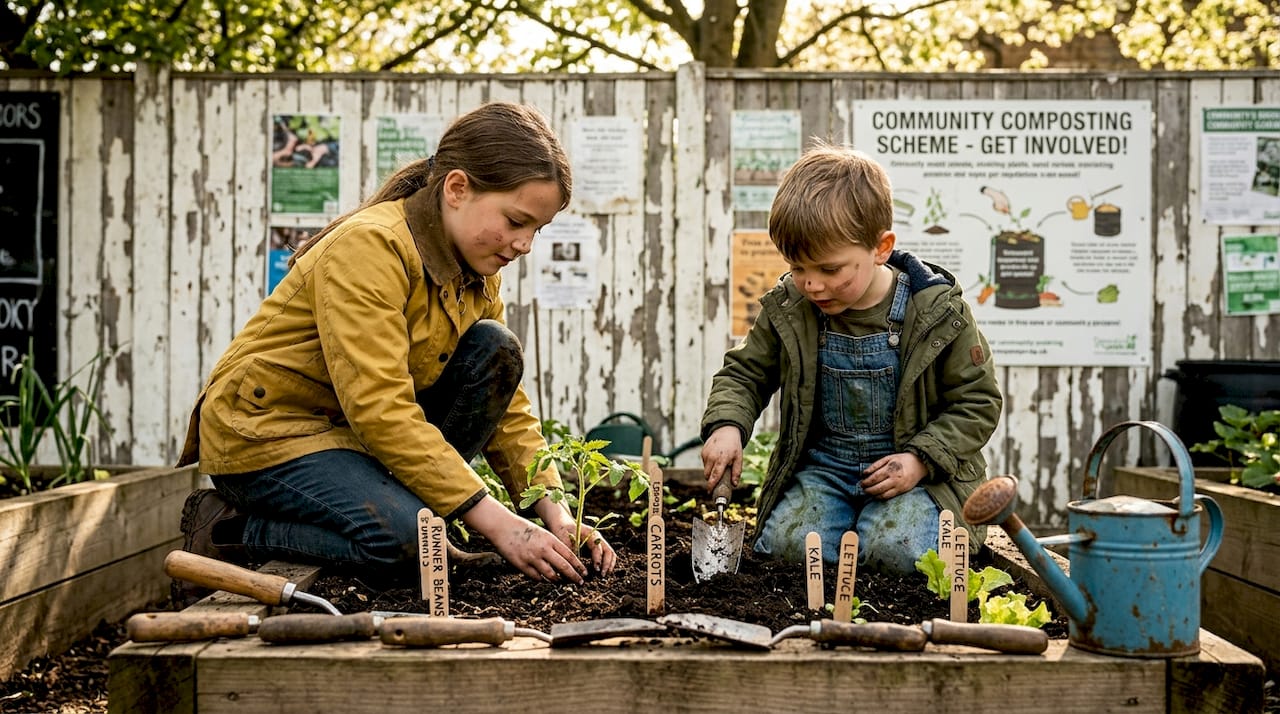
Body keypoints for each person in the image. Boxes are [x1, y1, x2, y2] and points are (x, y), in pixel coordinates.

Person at [176, 102, 614, 604]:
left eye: (536, 229)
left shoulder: (477, 272)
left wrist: (554, 510)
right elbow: (380, 408)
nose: (524, 244)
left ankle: (413, 519)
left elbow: (506, 408)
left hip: (350, 438)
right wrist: (497, 521)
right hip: (268, 434)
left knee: (496, 349)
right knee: (406, 543)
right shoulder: (370, 247)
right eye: (516, 221)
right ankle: (227, 528)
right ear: (456, 189)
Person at [699, 143, 1003, 575]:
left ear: (881, 247)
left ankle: (880, 537)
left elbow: (978, 403)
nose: (811, 284)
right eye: (797, 267)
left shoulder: (936, 313)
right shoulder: (790, 307)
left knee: (898, 551)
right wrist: (728, 425)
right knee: (788, 549)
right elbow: (745, 373)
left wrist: (919, 460)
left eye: (829, 269)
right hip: (826, 471)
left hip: (917, 477)